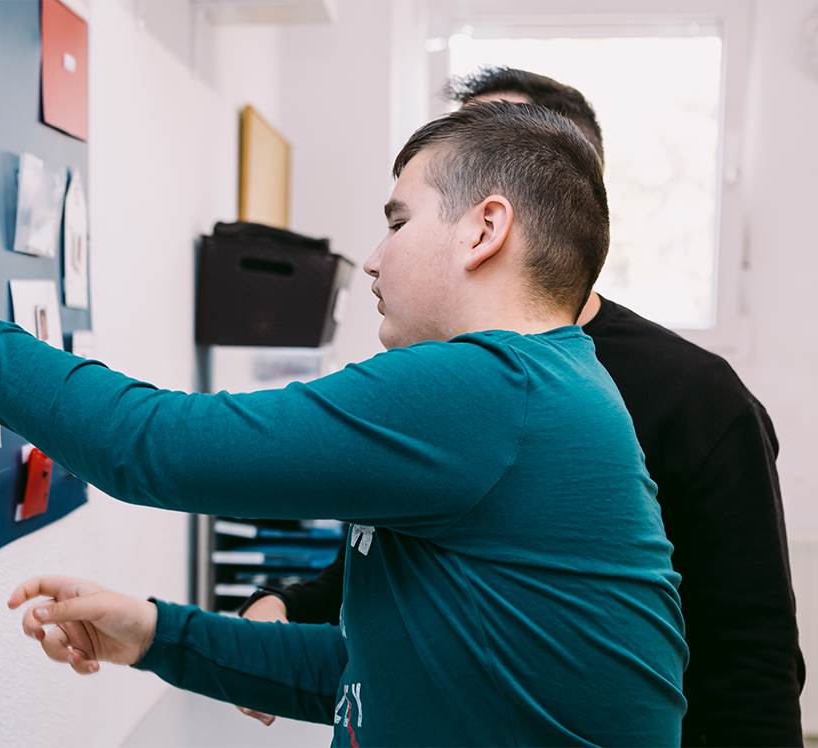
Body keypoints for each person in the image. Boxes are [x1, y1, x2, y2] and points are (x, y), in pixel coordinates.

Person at [0, 102, 688, 746]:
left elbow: (153, 447)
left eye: (399, 222)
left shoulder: (489, 386)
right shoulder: (552, 385)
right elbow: (376, 672)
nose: (372, 258)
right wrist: (155, 635)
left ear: (484, 229)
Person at [237, 67, 806, 747]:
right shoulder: (429, 373)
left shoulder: (696, 397)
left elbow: (750, 662)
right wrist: (288, 602)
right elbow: (396, 552)